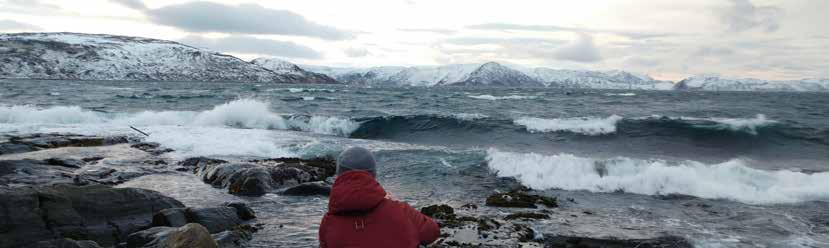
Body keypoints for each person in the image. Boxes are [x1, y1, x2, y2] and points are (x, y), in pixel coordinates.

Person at [319, 147, 440, 248]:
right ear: (373, 175)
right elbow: (432, 232)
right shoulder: (401, 211)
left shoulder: (328, 222)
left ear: (338, 175)